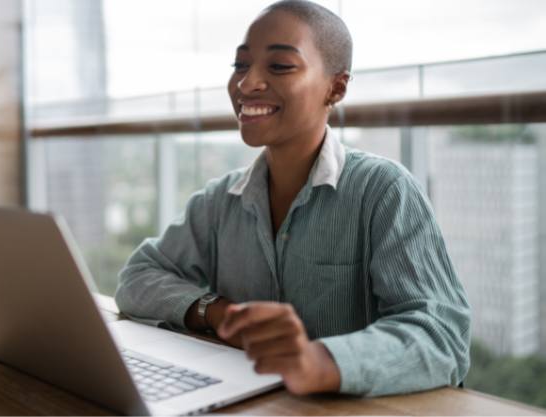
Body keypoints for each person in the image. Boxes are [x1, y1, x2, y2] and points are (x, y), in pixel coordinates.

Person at [115, 0, 470, 397]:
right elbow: (136, 278)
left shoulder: (383, 190)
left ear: (336, 87)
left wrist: (320, 361)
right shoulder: (220, 200)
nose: (247, 84)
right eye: (240, 65)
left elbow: (442, 334)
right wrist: (219, 313)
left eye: (280, 66)